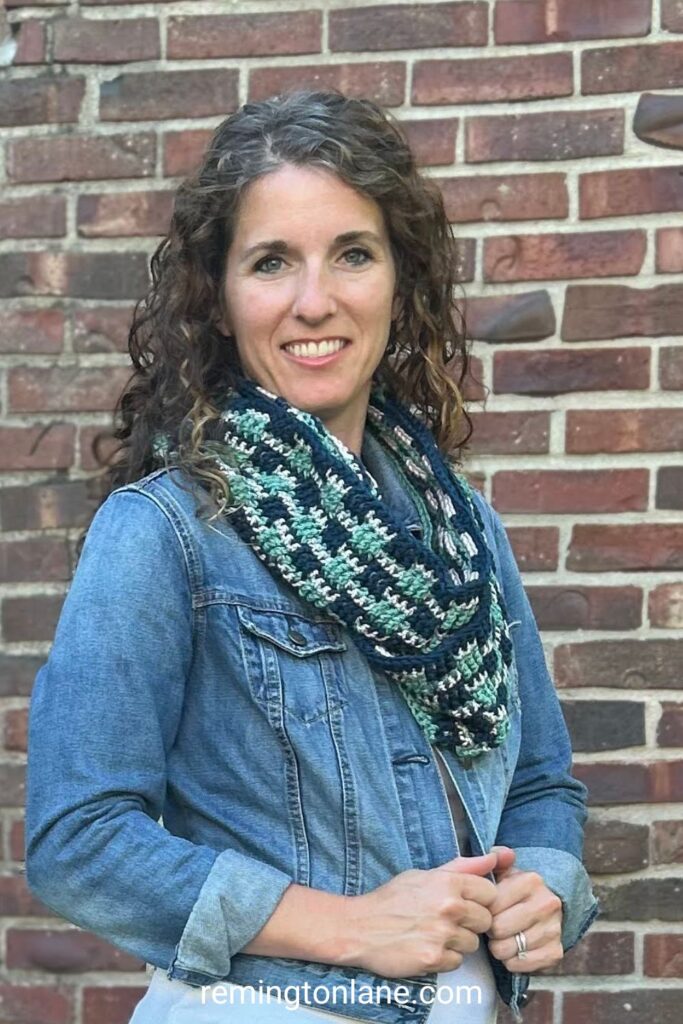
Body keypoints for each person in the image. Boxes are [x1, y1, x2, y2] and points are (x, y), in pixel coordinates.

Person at [24, 89, 599, 1024]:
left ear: (399, 282)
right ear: (217, 299)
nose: (313, 301)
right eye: (270, 263)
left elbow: (539, 781)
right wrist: (346, 926)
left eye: (353, 254)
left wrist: (545, 885)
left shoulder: (460, 532)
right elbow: (78, 839)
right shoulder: (164, 534)